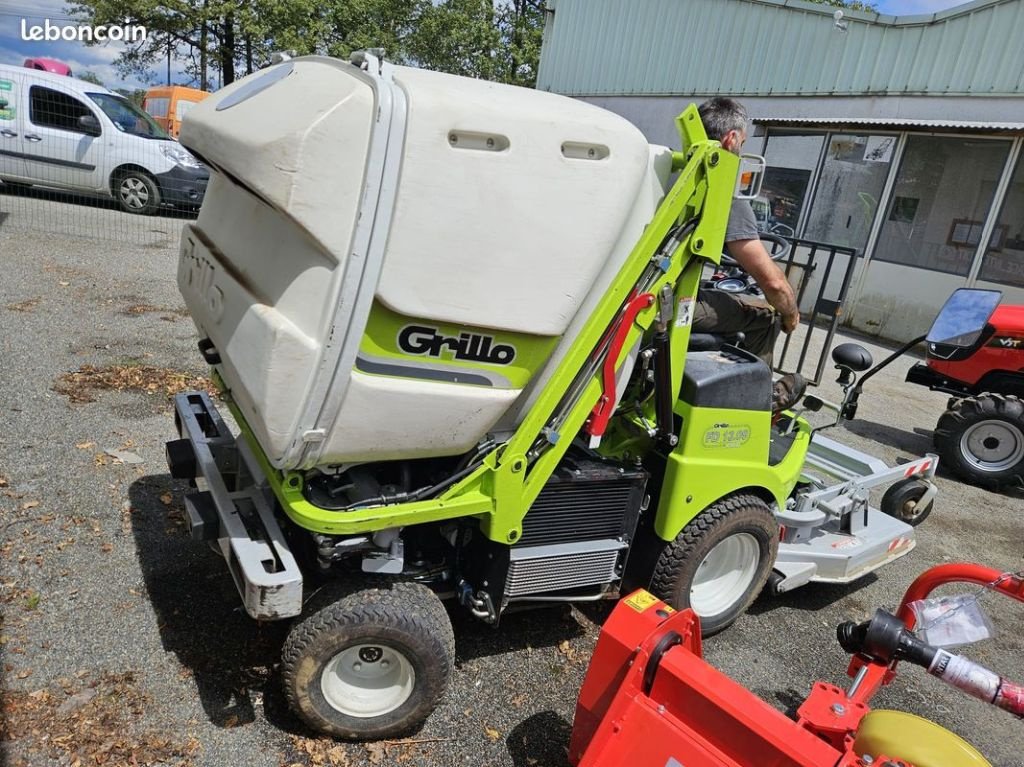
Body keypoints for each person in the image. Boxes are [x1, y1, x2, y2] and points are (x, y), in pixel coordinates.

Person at [694, 96, 806, 411]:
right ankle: (758, 402)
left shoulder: (678, 172)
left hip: (647, 292)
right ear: (731, 140)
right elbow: (773, 284)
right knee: (766, 314)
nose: (741, 148)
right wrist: (790, 311)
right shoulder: (722, 190)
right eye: (742, 142)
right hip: (678, 302)